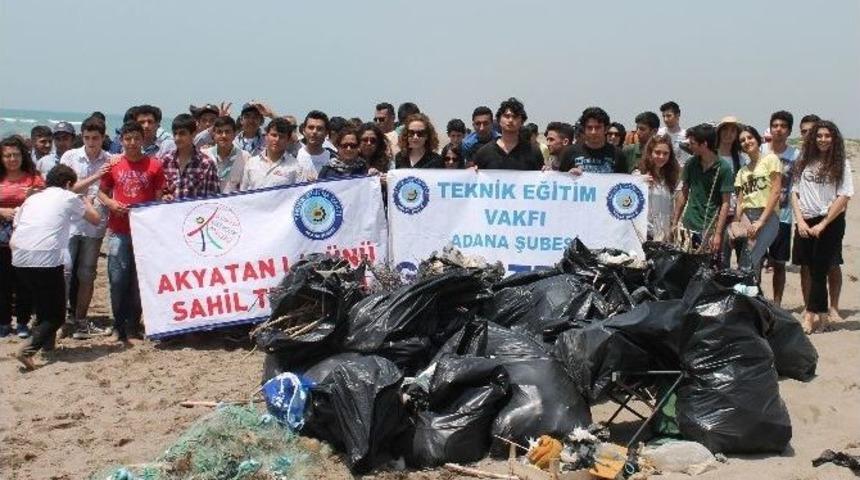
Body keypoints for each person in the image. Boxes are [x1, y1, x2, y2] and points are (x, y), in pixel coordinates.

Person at [10, 165, 101, 370]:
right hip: (46, 259)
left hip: (19, 258)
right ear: (69, 184)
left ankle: (47, 346)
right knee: (57, 315)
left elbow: (18, 224)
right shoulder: (69, 197)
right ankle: (28, 349)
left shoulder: (32, 199)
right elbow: (95, 219)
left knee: (44, 304)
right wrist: (84, 198)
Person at [98, 121, 167, 342]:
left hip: (144, 234)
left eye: (136, 138)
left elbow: (159, 199)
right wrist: (111, 204)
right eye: (128, 139)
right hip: (119, 230)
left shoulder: (154, 165)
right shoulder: (114, 165)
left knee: (139, 281)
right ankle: (118, 326)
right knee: (117, 280)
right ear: (121, 140)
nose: (132, 143)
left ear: (142, 139)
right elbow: (101, 193)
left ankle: (133, 326)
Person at [791, 120, 852, 333]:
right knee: (807, 266)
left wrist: (824, 223)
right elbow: (794, 192)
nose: (823, 140)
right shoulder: (803, 160)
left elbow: (844, 195)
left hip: (829, 222)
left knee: (819, 270)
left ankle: (809, 316)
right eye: (819, 136)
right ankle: (824, 315)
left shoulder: (841, 163)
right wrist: (799, 220)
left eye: (827, 136)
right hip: (804, 220)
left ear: (834, 138)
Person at [60, 117, 112, 339]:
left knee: (87, 274)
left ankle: (81, 320)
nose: (91, 142)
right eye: (87, 137)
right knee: (65, 272)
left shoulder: (111, 159)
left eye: (96, 138)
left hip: (95, 225)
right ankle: (60, 320)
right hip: (70, 224)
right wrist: (96, 177)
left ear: (103, 137)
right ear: (82, 136)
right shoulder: (70, 156)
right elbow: (65, 189)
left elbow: (110, 191)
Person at [0, 136, 42, 338]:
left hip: (26, 238)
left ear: (22, 156)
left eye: (15, 154)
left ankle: (23, 322)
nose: (11, 159)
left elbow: (45, 203)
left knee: (24, 281)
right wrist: (2, 212)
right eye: (7, 155)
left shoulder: (33, 177)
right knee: (3, 281)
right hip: (1, 238)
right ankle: (4, 322)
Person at [672, 123, 734, 253]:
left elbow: (725, 203)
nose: (690, 146)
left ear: (704, 144)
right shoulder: (691, 163)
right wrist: (675, 221)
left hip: (708, 228)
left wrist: (717, 234)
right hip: (688, 225)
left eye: (693, 143)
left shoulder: (723, 168)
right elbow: (683, 193)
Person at [732, 125, 782, 279]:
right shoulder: (742, 171)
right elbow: (741, 200)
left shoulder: (771, 159)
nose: (747, 142)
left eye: (750, 137)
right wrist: (735, 222)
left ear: (758, 139)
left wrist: (761, 221)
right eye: (742, 140)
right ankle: (751, 296)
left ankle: (745, 294)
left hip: (767, 215)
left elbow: (775, 191)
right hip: (747, 215)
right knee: (747, 258)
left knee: (752, 257)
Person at [762, 111, 800, 307]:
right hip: (757, 216)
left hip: (783, 217)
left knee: (779, 263)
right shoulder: (760, 151)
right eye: (775, 125)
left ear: (789, 131)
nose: (778, 129)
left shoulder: (795, 155)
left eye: (783, 126)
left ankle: (777, 304)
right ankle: (756, 301)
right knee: (755, 262)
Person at [240, 118, 314, 190]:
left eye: (281, 137)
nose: (277, 140)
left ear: (287, 140)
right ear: (266, 136)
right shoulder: (251, 163)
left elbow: (300, 195)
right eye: (274, 135)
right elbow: (243, 193)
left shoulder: (296, 167)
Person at [472, 98, 543, 171]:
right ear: (499, 120)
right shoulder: (484, 152)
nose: (510, 120)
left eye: (515, 116)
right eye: (507, 116)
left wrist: (547, 173)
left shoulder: (533, 151)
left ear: (522, 122)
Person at [161, 114, 221, 200]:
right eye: (175, 134)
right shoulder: (165, 161)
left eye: (182, 134)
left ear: (193, 134)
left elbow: (213, 198)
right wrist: (164, 196)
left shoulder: (206, 164)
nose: (177, 138)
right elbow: (159, 192)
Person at [715, 116, 745, 268]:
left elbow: (743, 191)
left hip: (734, 213)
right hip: (714, 213)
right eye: (725, 129)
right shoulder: (710, 156)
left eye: (733, 130)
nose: (729, 133)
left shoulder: (740, 159)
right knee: (718, 257)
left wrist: (737, 217)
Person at [559, 107, 627, 174]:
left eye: (598, 127)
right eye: (589, 127)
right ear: (584, 129)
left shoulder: (618, 154)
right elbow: (560, 181)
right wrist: (569, 175)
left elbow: (624, 181)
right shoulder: (570, 153)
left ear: (606, 129)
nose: (593, 132)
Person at [639, 134, 680, 241]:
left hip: (665, 236)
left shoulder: (673, 178)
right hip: (644, 235)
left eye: (665, 153)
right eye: (657, 152)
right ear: (650, 153)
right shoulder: (638, 175)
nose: (661, 157)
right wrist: (640, 182)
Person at [204, 116, 248, 193]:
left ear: (235, 134)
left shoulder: (245, 157)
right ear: (214, 134)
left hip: (234, 203)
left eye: (227, 132)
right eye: (219, 132)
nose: (223, 135)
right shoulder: (204, 155)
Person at [296, 110, 336, 175]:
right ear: (304, 130)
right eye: (311, 128)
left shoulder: (333, 159)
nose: (314, 132)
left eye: (319, 129)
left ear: (326, 133)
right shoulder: (294, 156)